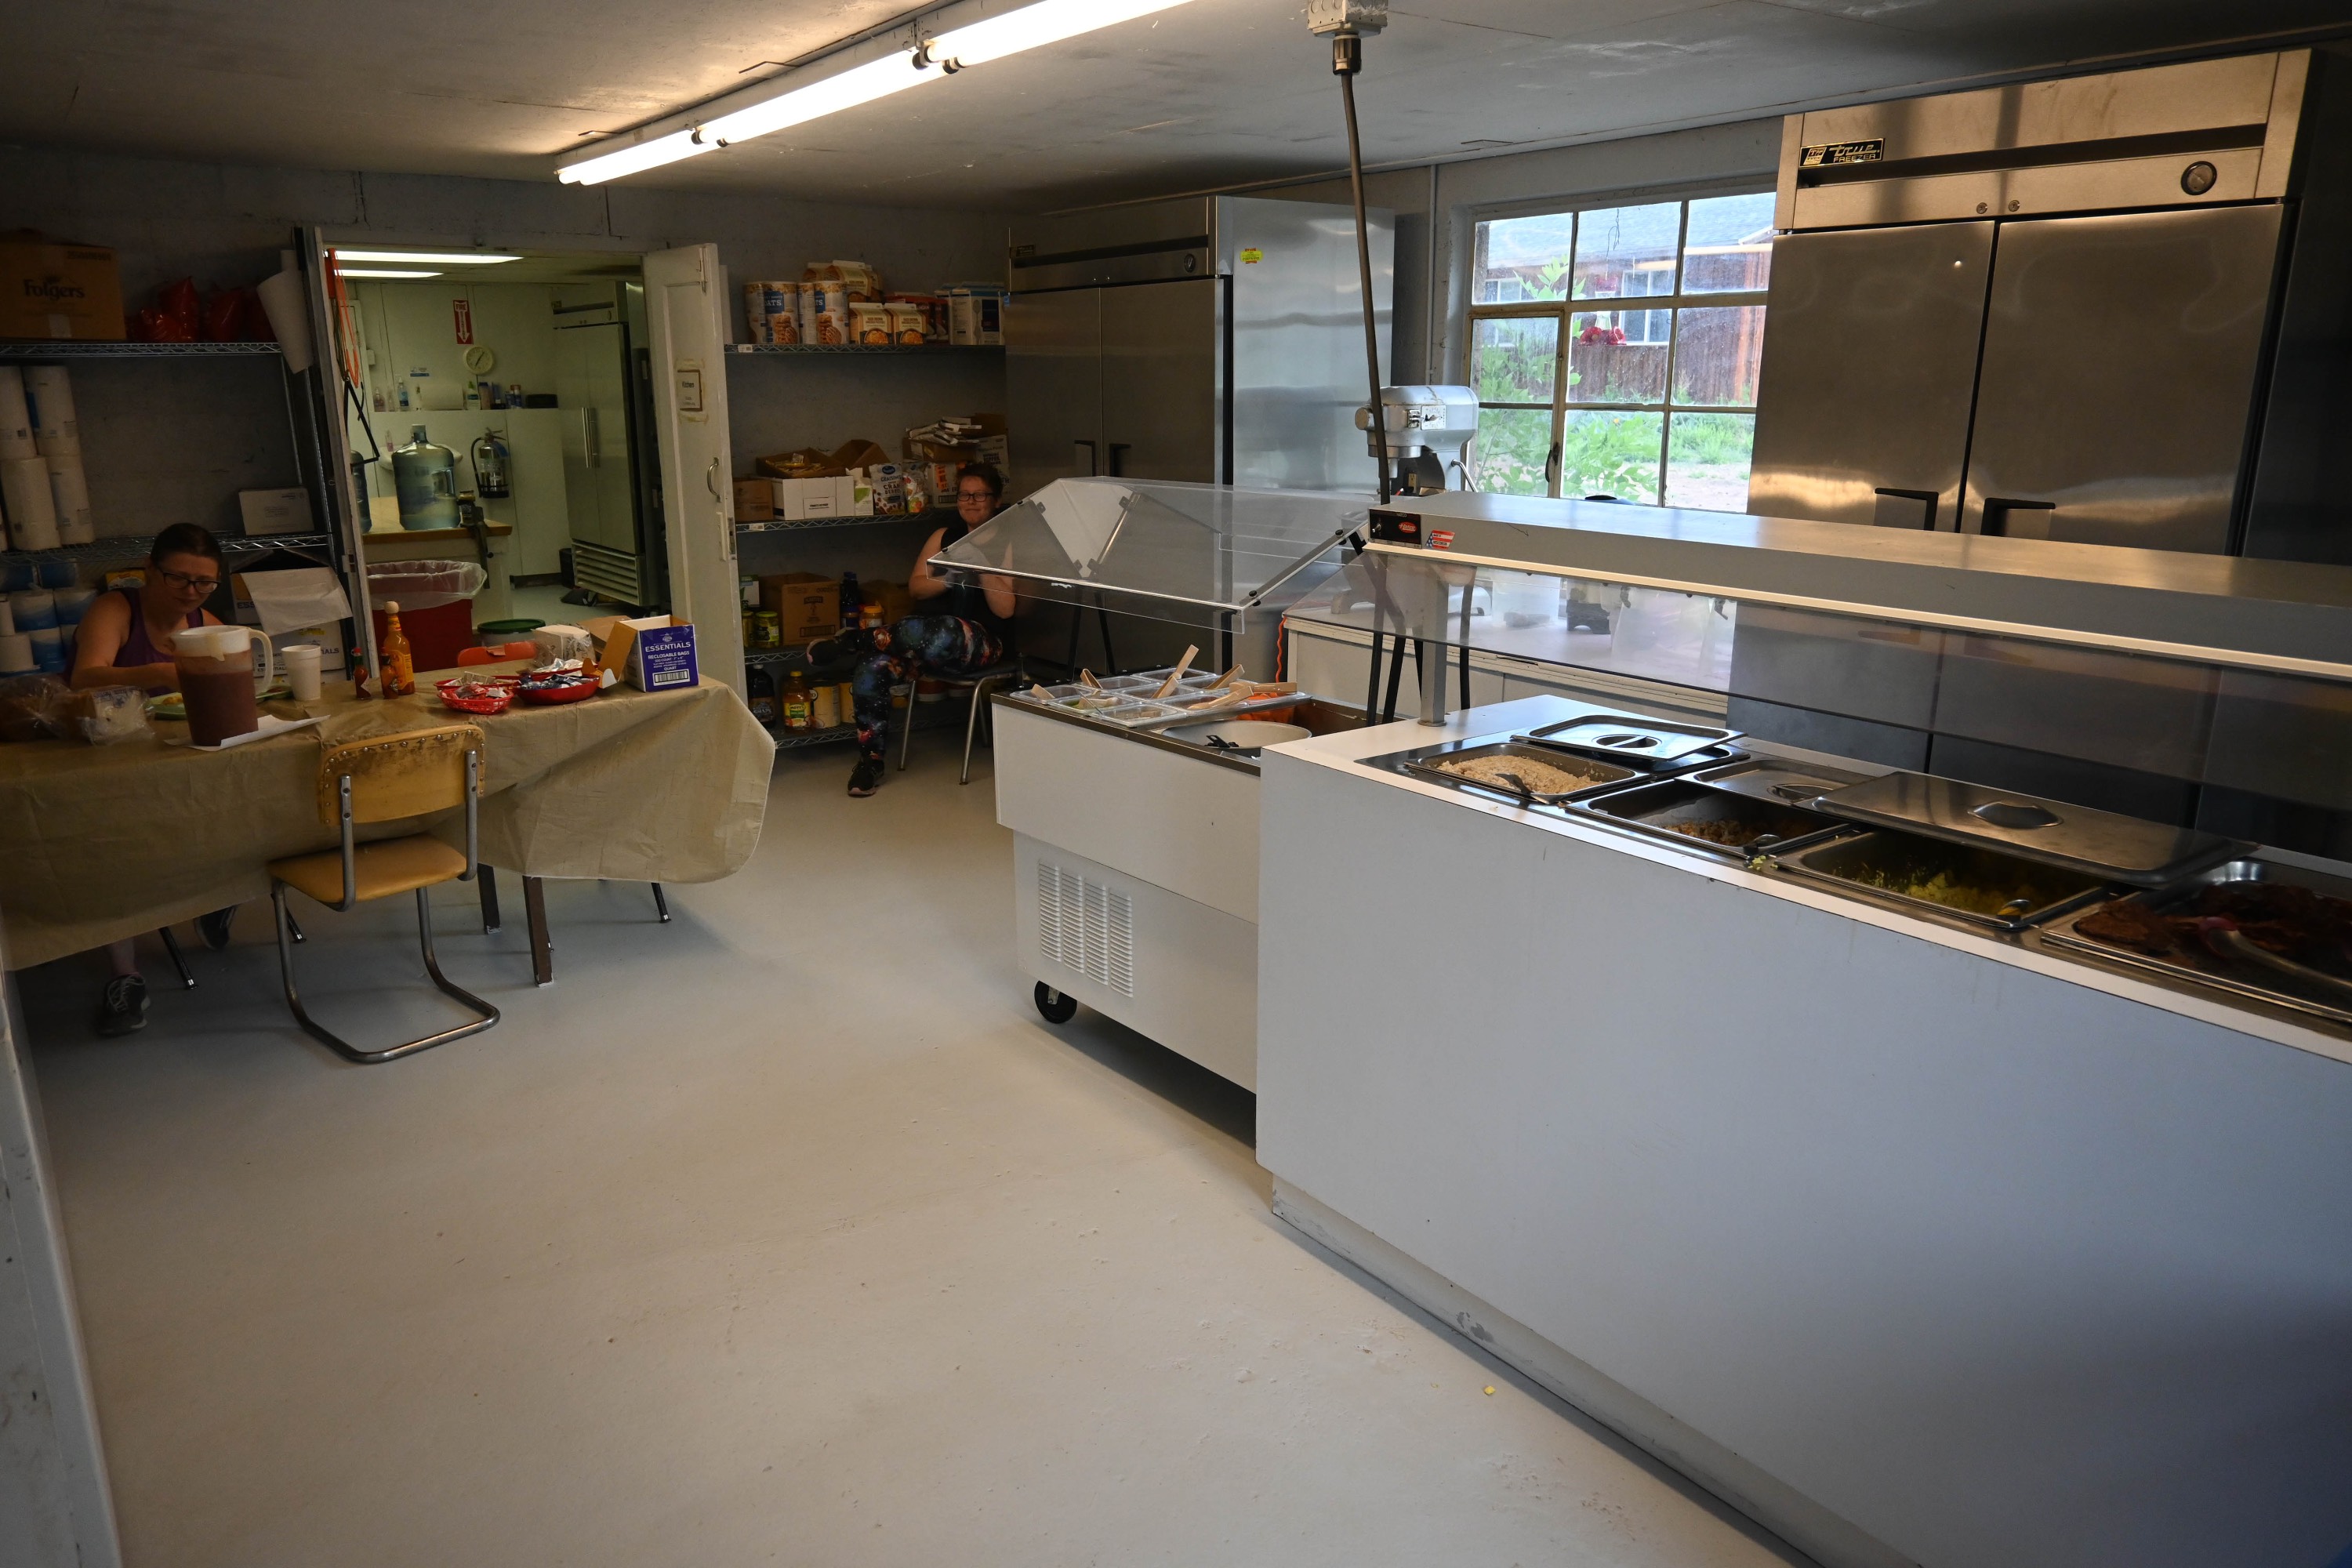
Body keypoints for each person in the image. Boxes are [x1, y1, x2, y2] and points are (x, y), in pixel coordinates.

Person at [70, 523, 238, 1035]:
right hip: (107, 751)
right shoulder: (117, 610)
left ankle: (216, 894)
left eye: (204, 583)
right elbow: (85, 677)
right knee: (113, 852)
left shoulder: (205, 620)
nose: (191, 592)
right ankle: (125, 975)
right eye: (179, 579)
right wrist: (162, 672)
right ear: (149, 570)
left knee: (228, 803)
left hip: (171, 753)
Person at [808, 463, 1018, 797]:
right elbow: (916, 588)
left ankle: (859, 639)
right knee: (872, 666)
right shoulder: (944, 537)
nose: (972, 501)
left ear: (996, 500)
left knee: (948, 630)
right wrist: (949, 576)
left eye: (981, 495)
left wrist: (980, 561)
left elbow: (1005, 609)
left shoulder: (1010, 541)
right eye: (965, 494)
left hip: (982, 645)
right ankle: (870, 760)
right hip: (924, 644)